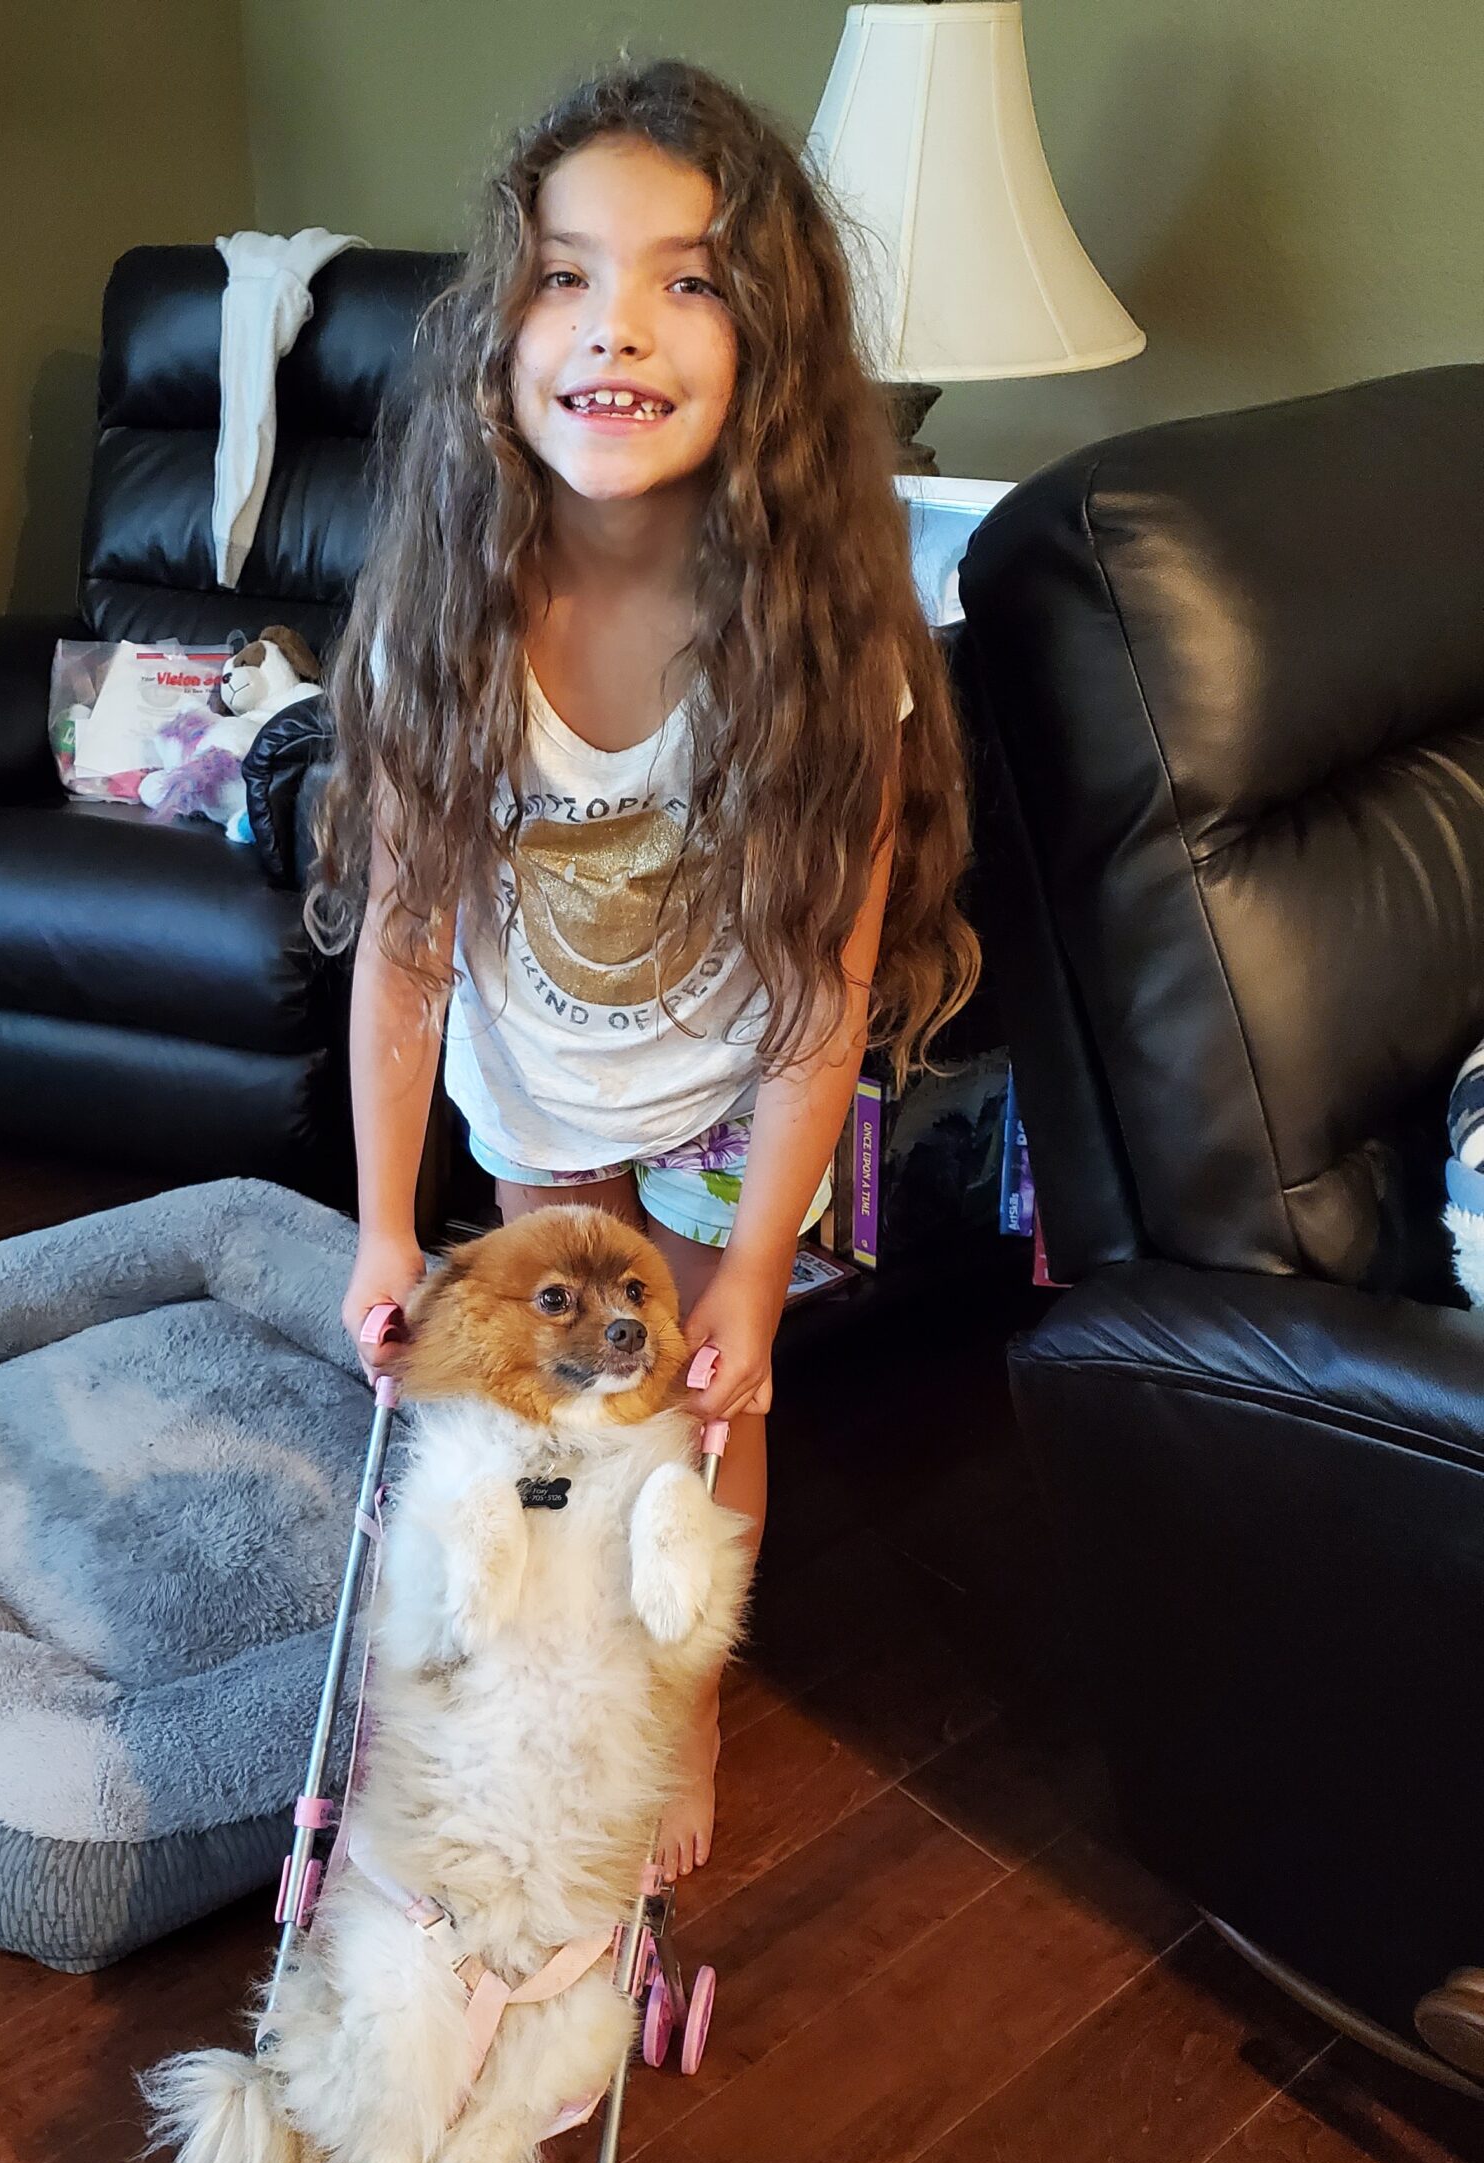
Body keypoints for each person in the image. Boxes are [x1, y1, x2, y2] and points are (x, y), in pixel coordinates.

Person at [308, 56, 978, 1884]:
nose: (617, 326)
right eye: (564, 272)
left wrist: (754, 1276)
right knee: (567, 1411)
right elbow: (405, 952)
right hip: (535, 1091)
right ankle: (557, 1666)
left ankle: (673, 1712)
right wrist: (384, 1229)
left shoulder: (829, 654)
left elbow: (824, 1002)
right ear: (500, 326)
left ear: (763, 341)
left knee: (695, 1410)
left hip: (722, 1088)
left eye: (687, 278)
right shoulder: (442, 621)